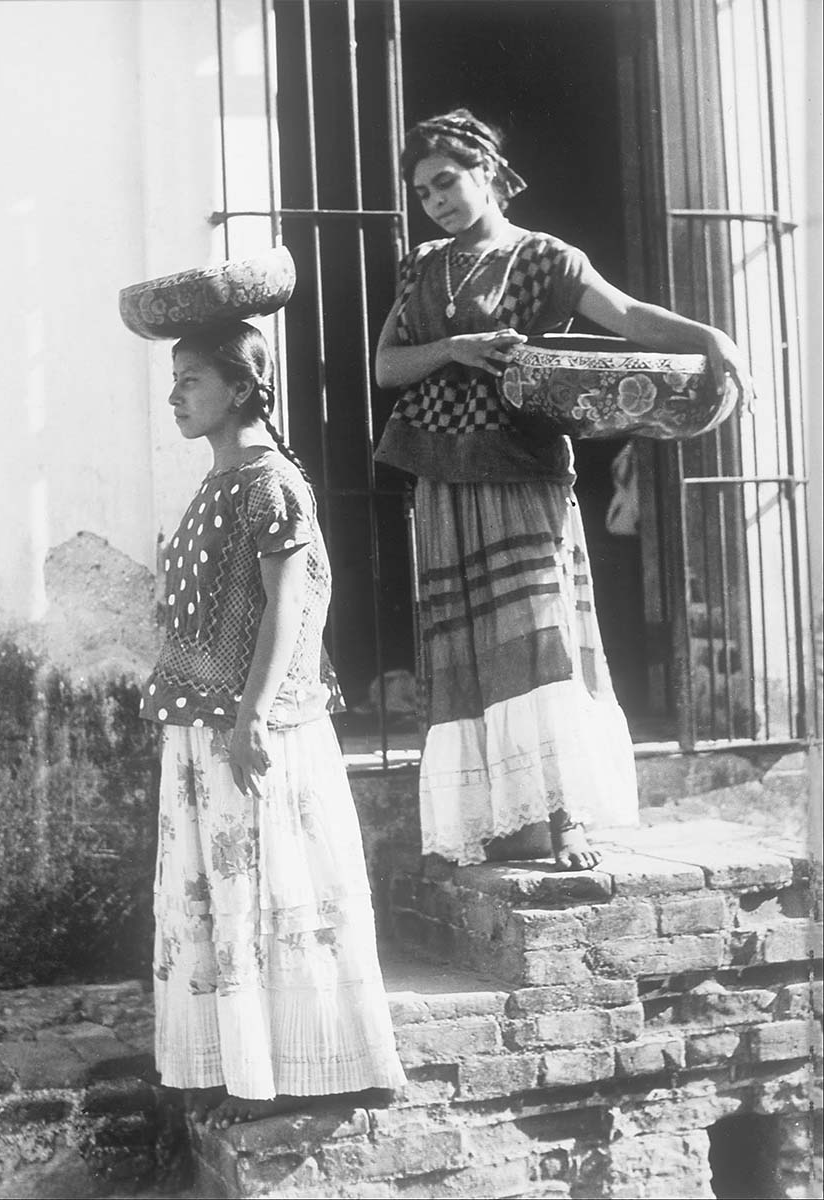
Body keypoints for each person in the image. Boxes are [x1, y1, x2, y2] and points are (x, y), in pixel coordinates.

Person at [374, 109, 753, 872]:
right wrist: (455, 346)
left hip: (520, 467)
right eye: (422, 191)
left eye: (447, 181)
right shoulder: (422, 265)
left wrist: (713, 339)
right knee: (470, 650)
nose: (436, 200)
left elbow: (628, 317)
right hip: (442, 476)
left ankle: (566, 817)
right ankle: (495, 818)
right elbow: (387, 366)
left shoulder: (545, 259)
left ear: (488, 174)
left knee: (542, 640)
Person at [140, 321, 405, 1126]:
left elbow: (290, 607)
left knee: (267, 891)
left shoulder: (268, 482)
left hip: (252, 729)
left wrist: (253, 713)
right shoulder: (219, 482)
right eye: (176, 377)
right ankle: (242, 1065)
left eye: (192, 378)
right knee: (223, 898)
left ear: (243, 389)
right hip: (203, 722)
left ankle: (297, 1073)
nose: (176, 392)